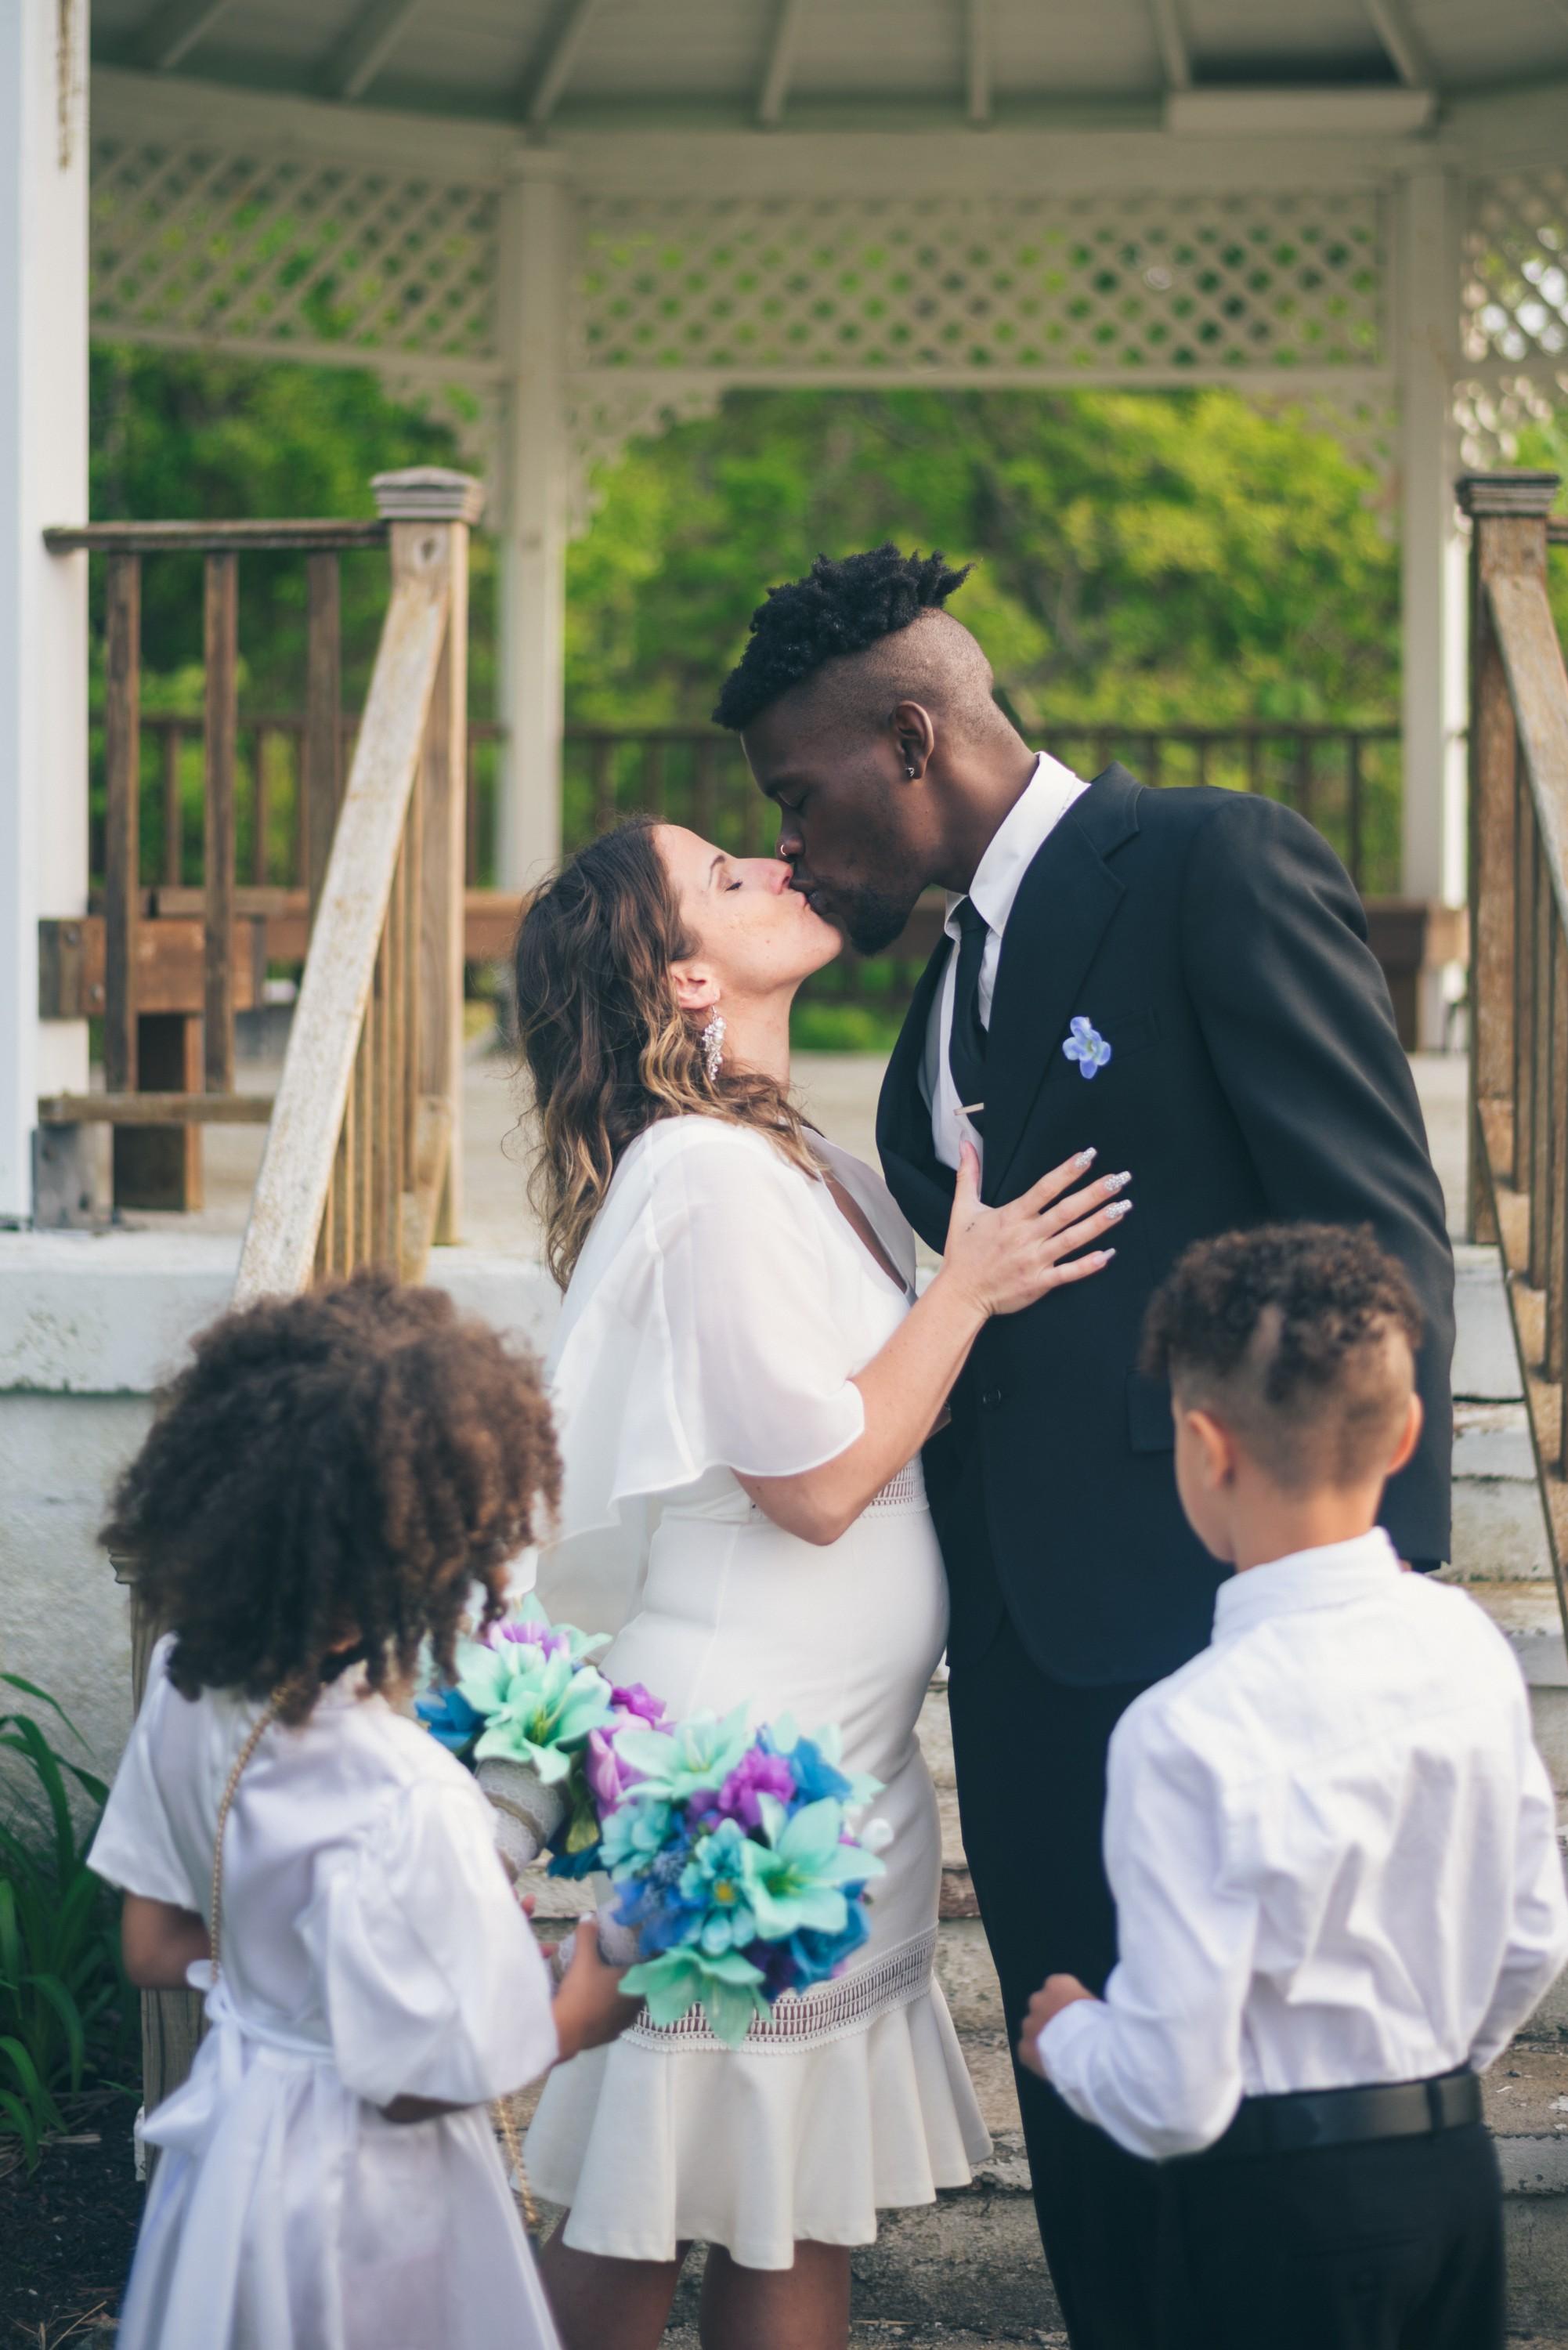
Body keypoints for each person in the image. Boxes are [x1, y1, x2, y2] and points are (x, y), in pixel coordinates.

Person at [716, 545, 1457, 2348]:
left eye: (794, 799)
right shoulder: (944, 983)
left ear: (908, 739)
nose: (791, 847)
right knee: (1088, 2122)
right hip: (1030, 1661)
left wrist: (1354, 1599)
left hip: (1226, 1634)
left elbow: (1377, 1244)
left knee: (1250, 2135)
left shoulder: (1210, 864)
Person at [510, 813, 1128, 2350]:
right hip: (733, 1781)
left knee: (783, 2206)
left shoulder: (819, 1170)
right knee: (633, 2233)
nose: (774, 865)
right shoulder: (701, 1176)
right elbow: (818, 1483)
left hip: (844, 1778)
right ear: (679, 981)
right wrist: (970, 1284)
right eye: (725, 878)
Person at [1020, 1223, 1568, 2350]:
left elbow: (1174, 2096)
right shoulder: (1467, 1650)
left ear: (1204, 1448)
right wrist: (1419, 2085)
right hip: (1451, 2178)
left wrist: (1069, 2036)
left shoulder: (1181, 1732)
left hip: (1272, 2210)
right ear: (1409, 1431)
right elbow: (1534, 1940)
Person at [89, 1271, 635, 2350]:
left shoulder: (185, 1681)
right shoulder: (407, 1793)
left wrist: (296, 1983)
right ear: (433, 1556)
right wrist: (585, 2008)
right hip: (367, 2204)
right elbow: (418, 2088)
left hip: (231, 2160)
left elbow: (152, 1942)